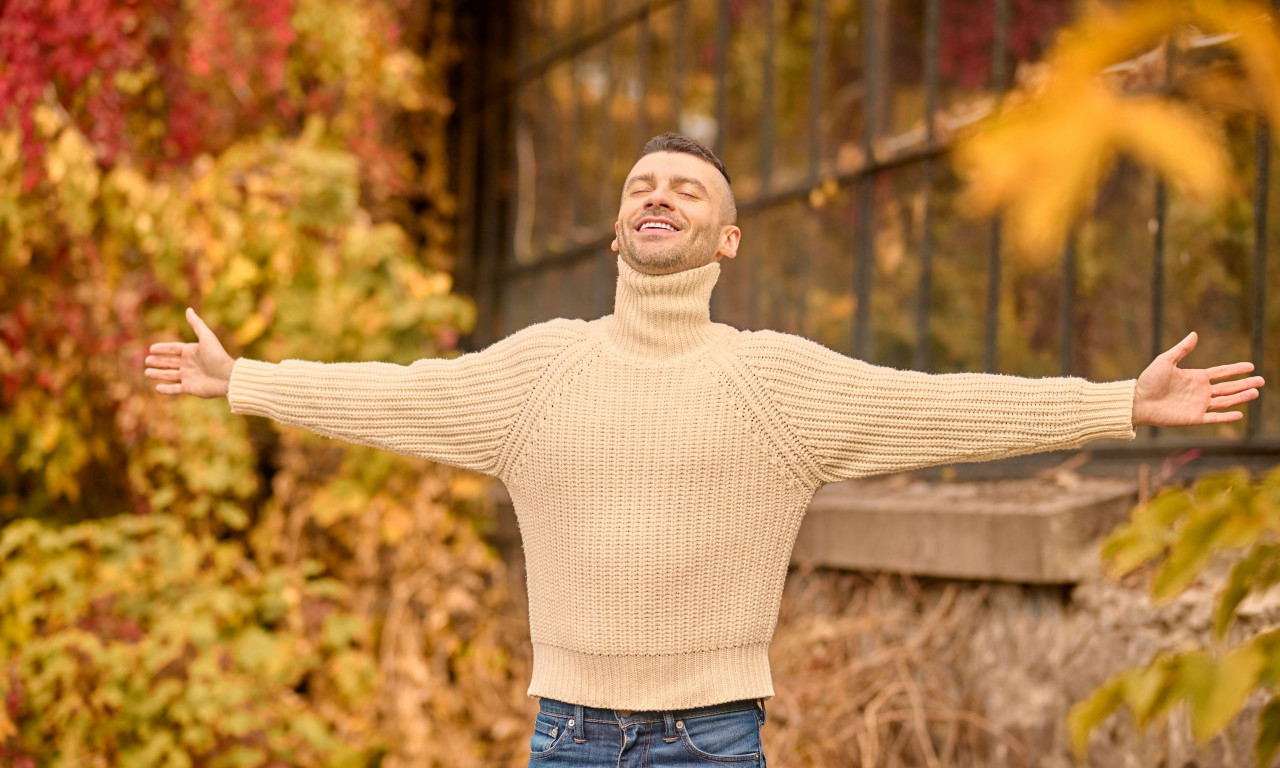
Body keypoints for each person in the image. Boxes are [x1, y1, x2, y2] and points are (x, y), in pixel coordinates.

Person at [145, 133, 1264, 767]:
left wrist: (1118, 403)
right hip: (564, 738)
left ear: (724, 238)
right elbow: (397, 394)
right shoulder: (538, 371)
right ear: (619, 227)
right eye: (639, 185)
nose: (656, 195)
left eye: (684, 187)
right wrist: (242, 379)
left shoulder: (775, 381)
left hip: (711, 743)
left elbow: (944, 407)